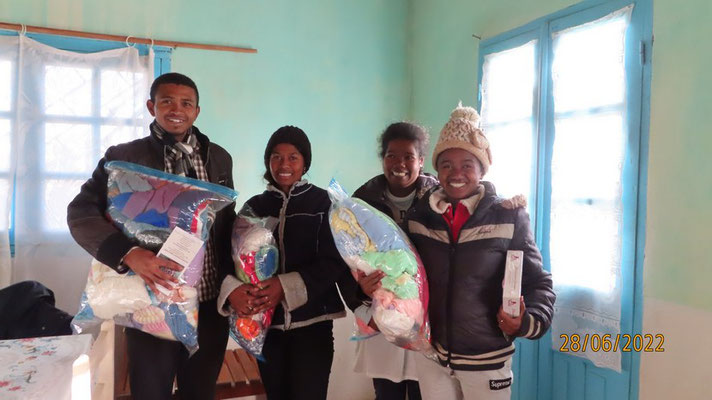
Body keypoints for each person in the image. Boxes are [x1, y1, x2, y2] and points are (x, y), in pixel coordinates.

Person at [67, 72, 235, 400]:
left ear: (197, 111)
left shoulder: (219, 158)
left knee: (199, 393)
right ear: (151, 106)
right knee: (151, 393)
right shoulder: (124, 158)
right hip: (152, 306)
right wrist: (127, 253)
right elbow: (80, 213)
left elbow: (224, 223)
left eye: (186, 103)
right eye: (167, 101)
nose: (177, 109)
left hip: (210, 305)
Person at [404, 104, 555, 399]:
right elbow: (408, 276)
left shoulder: (508, 216)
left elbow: (538, 283)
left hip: (487, 360)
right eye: (446, 164)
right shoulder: (419, 217)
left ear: (482, 169)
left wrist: (526, 321)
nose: (456, 173)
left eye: (467, 164)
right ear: (436, 168)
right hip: (431, 355)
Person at [217, 126, 351, 400]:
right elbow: (233, 257)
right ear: (268, 162)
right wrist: (235, 291)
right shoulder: (253, 207)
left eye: (293, 157)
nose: (284, 165)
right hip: (267, 329)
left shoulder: (325, 204)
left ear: (305, 163)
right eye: (276, 157)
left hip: (313, 326)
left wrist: (284, 285)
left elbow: (334, 261)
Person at [348, 122, 437, 400]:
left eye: (408, 156)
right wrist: (360, 292)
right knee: (387, 392)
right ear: (383, 159)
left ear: (421, 161)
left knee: (425, 390)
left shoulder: (438, 199)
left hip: (427, 317)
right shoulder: (362, 202)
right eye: (391, 156)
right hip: (382, 316)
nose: (400, 163)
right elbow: (344, 262)